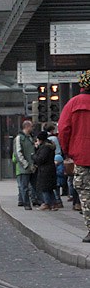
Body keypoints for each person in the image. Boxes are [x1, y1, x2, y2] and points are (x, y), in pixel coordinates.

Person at [58, 69, 90, 243]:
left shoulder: (72, 104)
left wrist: (67, 151)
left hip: (81, 157)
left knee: (85, 195)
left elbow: (63, 130)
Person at [13, 120, 36, 210]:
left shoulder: (30, 137)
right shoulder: (19, 138)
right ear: (26, 127)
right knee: (24, 186)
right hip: (24, 167)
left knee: (34, 185)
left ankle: (35, 201)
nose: (32, 128)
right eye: (31, 126)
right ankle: (26, 203)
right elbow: (18, 153)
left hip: (32, 166)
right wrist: (25, 164)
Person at [33, 130, 58, 210]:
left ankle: (47, 203)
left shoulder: (45, 147)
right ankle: (53, 203)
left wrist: (33, 156)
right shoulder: (49, 146)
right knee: (50, 188)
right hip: (50, 168)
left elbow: (40, 159)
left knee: (45, 187)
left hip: (45, 170)